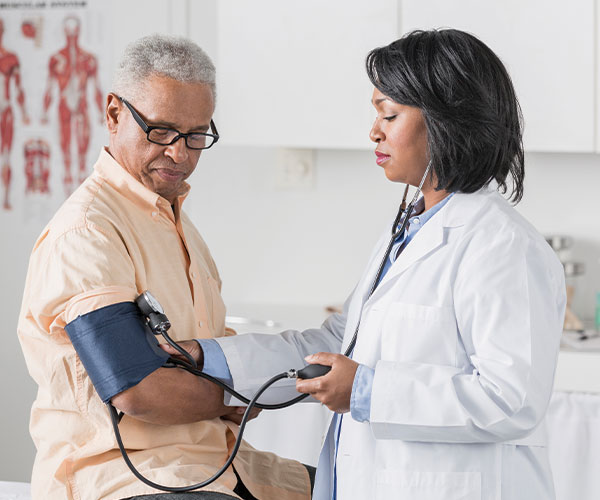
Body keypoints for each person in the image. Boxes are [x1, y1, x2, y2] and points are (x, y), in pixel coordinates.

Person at [174, 29, 567, 500]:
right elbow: (341, 343)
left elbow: (511, 400)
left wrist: (367, 391)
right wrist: (210, 358)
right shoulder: (408, 229)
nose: (374, 131)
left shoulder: (502, 245)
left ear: (446, 120)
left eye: (389, 114)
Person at [18, 34, 313, 500]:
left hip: (218, 459)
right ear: (114, 114)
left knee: (356, 481)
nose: (180, 153)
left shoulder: (175, 222)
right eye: (160, 131)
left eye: (196, 135)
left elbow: (214, 352)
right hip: (128, 476)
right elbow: (138, 389)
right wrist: (236, 394)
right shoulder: (87, 232)